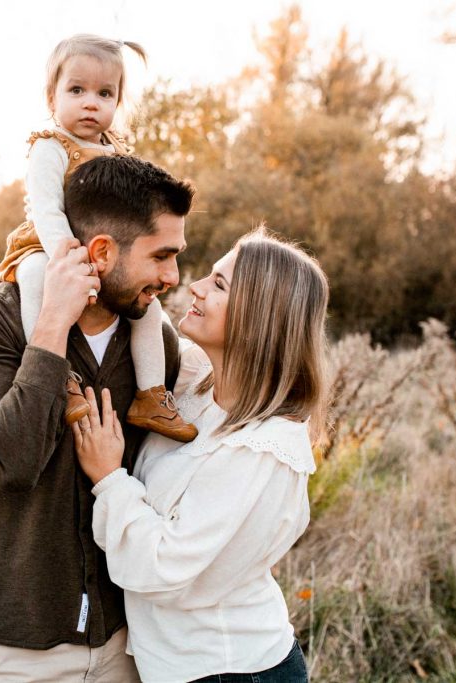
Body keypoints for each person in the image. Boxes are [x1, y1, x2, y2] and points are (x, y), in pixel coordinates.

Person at [0, 154, 195, 682]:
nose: (173, 276)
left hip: (126, 645)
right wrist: (54, 322)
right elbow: (9, 462)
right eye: (162, 256)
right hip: (14, 650)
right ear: (102, 252)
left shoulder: (157, 347)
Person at [73, 228, 328, 683]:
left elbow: (167, 567)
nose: (195, 286)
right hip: (178, 667)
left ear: (259, 317)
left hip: (229, 670)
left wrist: (109, 478)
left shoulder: (264, 448)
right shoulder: (195, 382)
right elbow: (142, 319)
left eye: (219, 284)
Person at [0, 33, 197, 443]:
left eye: (105, 93)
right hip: (48, 245)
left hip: (104, 253)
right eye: (77, 90)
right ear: (52, 98)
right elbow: (47, 208)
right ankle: (59, 377)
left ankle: (151, 394)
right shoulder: (50, 147)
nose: (91, 102)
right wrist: (66, 257)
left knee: (148, 310)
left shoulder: (118, 152)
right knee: (35, 279)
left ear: (117, 102)